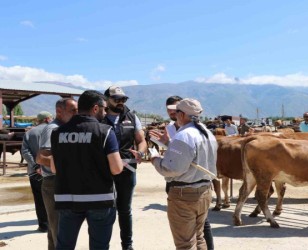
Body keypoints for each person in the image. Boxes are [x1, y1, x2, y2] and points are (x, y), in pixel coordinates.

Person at [50, 90, 123, 250]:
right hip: (100, 199)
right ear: (95, 108)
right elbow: (117, 169)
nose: (105, 112)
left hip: (67, 198)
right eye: (104, 109)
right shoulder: (105, 132)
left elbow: (54, 168)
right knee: (99, 246)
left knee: (64, 246)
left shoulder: (57, 133)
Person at [147, 98, 217, 249]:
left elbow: (173, 169)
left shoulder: (184, 135)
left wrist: (155, 159)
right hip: (204, 190)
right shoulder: (207, 133)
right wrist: (169, 144)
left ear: (183, 114)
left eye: (176, 111)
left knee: (185, 243)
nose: (174, 114)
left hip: (184, 194)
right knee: (199, 237)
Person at [102, 85, 147, 250]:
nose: (121, 102)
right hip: (103, 170)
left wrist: (140, 153)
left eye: (123, 99)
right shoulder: (99, 117)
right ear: (107, 100)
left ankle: (127, 245)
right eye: (117, 99)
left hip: (127, 169)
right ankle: (102, 244)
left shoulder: (132, 117)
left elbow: (141, 140)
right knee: (104, 208)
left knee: (124, 209)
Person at [36, 98, 78, 250]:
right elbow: (41, 157)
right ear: (59, 111)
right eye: (73, 110)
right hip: (53, 182)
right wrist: (66, 165)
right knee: (59, 229)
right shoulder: (53, 129)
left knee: (56, 229)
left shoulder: (65, 127)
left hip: (59, 182)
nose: (77, 113)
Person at [21, 111, 53, 233]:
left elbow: (25, 152)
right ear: (47, 119)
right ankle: (55, 225)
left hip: (35, 173)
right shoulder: (54, 130)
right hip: (52, 171)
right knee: (54, 198)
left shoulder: (29, 133)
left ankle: (43, 225)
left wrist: (35, 166)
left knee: (39, 199)